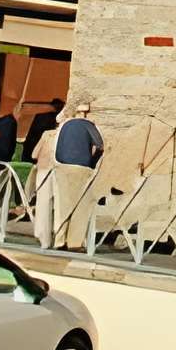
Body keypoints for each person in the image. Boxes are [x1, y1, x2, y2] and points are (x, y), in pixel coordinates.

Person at [37, 99, 103, 251]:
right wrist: (91, 162)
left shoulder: (64, 125)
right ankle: (75, 242)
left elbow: (57, 147)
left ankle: (59, 240)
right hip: (81, 168)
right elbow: (100, 146)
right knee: (80, 206)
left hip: (61, 166)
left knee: (62, 205)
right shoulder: (89, 125)